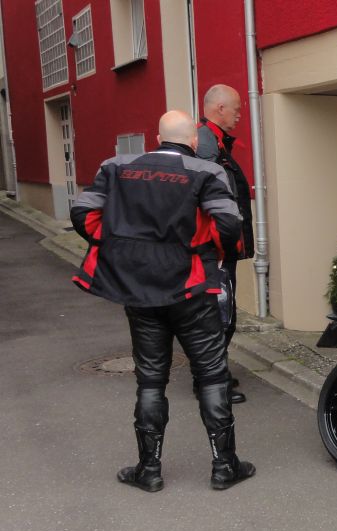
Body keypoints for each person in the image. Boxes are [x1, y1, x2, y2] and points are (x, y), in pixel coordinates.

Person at [71, 110, 256, 492]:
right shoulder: (207, 171)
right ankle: (225, 466)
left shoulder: (116, 167)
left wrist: (120, 248)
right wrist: (213, 254)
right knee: (211, 375)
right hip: (191, 288)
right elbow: (228, 223)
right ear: (194, 141)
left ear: (157, 138)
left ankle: (149, 470)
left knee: (151, 381)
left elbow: (83, 212)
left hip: (139, 290)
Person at [196, 84, 253, 404]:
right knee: (218, 316)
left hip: (219, 248)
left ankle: (214, 375)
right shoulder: (207, 145)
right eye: (236, 109)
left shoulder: (213, 141)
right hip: (215, 250)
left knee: (221, 315)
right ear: (219, 108)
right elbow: (209, 199)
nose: (239, 115)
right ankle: (212, 383)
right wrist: (219, 245)